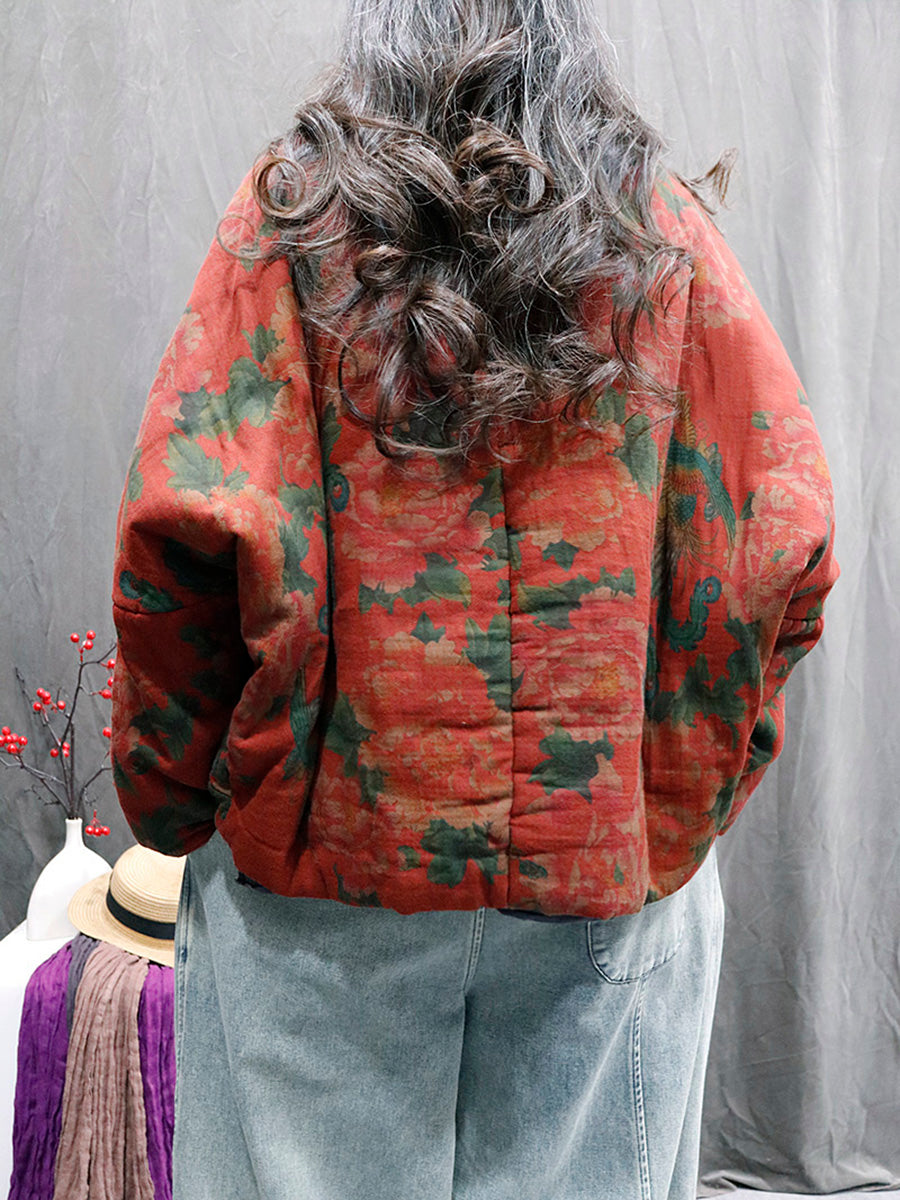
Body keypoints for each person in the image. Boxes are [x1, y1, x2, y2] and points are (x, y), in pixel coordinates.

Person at [110, 1, 839, 1197]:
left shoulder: (291, 226)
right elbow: (773, 541)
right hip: (598, 892)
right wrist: (666, 809)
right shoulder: (660, 234)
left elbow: (185, 540)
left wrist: (174, 800)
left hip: (326, 891)